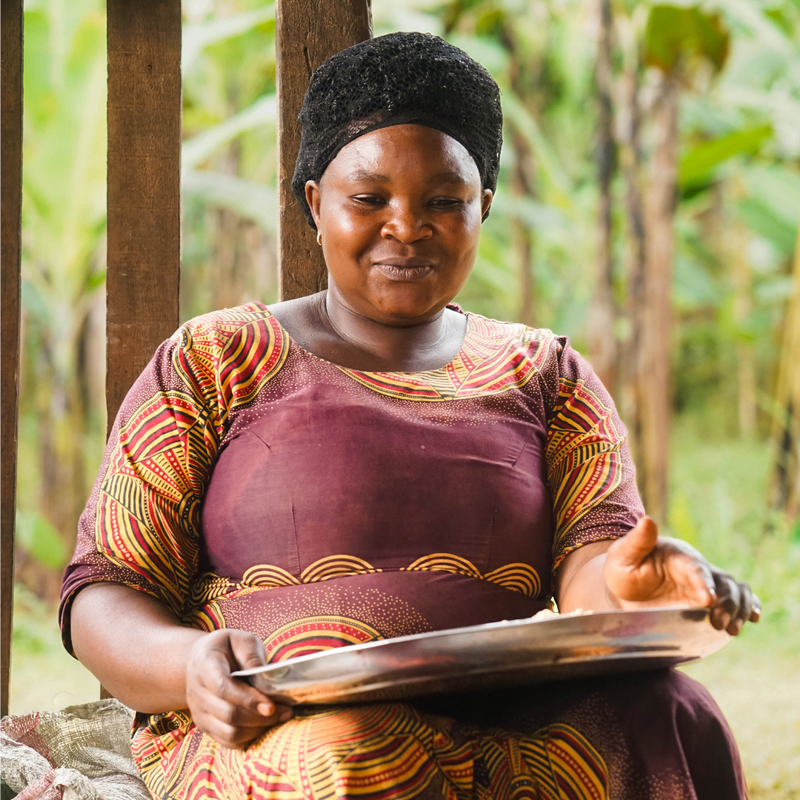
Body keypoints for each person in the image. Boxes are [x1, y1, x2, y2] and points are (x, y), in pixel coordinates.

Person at [61, 32, 759, 800]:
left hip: (510, 715)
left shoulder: (545, 374)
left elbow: (592, 576)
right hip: (277, 724)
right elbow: (105, 593)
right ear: (314, 203)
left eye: (444, 202)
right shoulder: (218, 358)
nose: (407, 225)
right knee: (355, 747)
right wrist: (188, 669)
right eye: (369, 198)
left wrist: (631, 587)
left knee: (674, 711)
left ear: (482, 207)